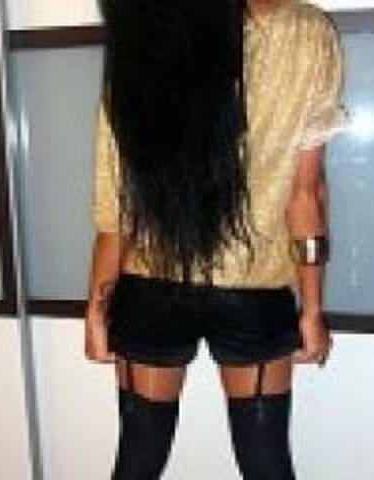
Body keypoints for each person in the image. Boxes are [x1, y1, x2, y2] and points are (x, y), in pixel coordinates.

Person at [85, 0, 347, 478]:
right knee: (266, 461)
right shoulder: (307, 31)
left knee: (138, 457)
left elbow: (115, 199)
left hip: (151, 287)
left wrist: (97, 306)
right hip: (255, 289)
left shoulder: (143, 28)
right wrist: (312, 310)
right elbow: (305, 195)